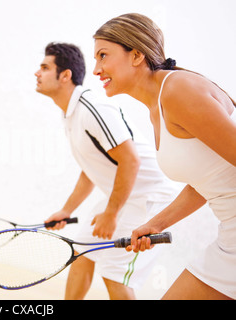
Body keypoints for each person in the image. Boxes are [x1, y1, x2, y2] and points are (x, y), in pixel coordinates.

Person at [92, 13, 236, 300]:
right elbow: (211, 178)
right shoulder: (160, 103)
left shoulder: (177, 91)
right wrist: (156, 224)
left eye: (103, 55)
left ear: (136, 55)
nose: (97, 69)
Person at [35, 42, 179, 300]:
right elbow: (90, 169)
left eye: (45, 67)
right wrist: (67, 211)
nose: (37, 73)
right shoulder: (70, 114)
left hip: (149, 199)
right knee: (83, 251)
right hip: (126, 196)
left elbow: (130, 161)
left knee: (114, 273)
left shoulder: (92, 108)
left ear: (65, 75)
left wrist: (111, 213)